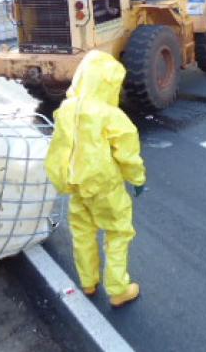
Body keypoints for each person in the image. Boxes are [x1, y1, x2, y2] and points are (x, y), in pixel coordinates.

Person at [45, 50, 146, 307]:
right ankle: (118, 289)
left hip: (76, 185)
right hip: (105, 186)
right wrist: (137, 178)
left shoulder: (66, 109)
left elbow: (57, 148)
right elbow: (127, 150)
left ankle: (88, 282)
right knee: (117, 233)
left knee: (82, 233)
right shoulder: (109, 114)